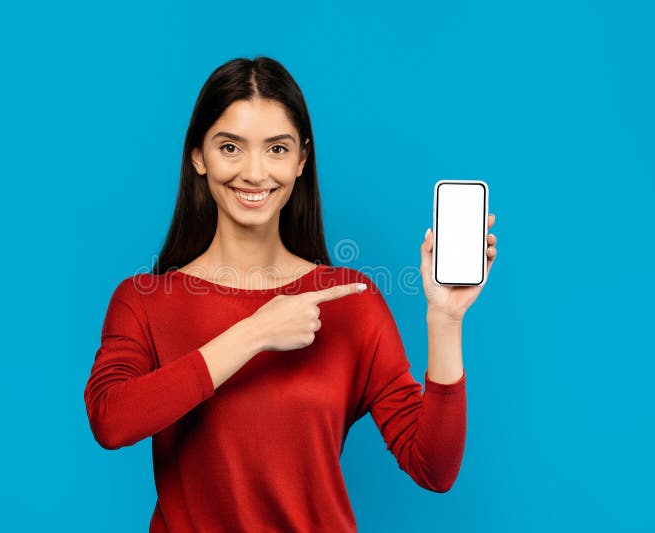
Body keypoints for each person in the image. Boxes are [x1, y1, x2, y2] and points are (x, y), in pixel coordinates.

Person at [83, 56, 498, 533]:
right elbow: (111, 420)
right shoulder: (144, 300)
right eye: (231, 147)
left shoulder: (349, 300)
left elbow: (434, 467)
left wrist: (445, 319)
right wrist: (255, 332)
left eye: (276, 149)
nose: (255, 173)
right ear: (198, 155)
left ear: (302, 158)